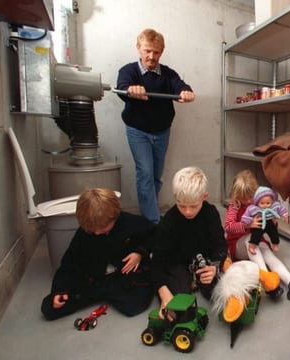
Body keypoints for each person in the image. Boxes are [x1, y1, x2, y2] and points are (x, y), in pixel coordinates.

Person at [116, 28, 195, 224]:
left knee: (156, 177)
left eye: (156, 52)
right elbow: (121, 86)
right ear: (138, 48)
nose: (151, 56)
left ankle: (148, 214)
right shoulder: (129, 71)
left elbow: (181, 86)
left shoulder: (168, 74)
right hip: (138, 131)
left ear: (162, 51)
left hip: (162, 132)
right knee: (145, 174)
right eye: (147, 51)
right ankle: (153, 222)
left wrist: (186, 92)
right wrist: (130, 90)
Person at [40, 188, 156, 320]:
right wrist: (60, 290)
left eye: (102, 227)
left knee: (133, 306)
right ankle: (106, 292)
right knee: (50, 308)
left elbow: (153, 234)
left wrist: (139, 253)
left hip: (123, 274)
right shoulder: (85, 233)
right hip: (95, 279)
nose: (97, 233)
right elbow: (69, 263)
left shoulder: (129, 222)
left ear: (114, 216)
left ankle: (109, 292)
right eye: (92, 229)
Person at [150, 166, 229, 316]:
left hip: (203, 260)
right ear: (175, 199)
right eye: (182, 205)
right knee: (181, 303)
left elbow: (220, 245)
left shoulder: (210, 213)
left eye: (193, 206)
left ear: (204, 196)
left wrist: (215, 266)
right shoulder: (168, 221)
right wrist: (163, 292)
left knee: (219, 292)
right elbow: (157, 263)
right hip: (177, 263)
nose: (187, 211)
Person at [224, 170, 290, 300]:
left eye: (250, 196)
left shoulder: (259, 202)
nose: (248, 201)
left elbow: (268, 226)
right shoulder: (234, 206)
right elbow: (228, 227)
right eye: (244, 198)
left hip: (257, 241)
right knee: (250, 240)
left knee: (267, 252)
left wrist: (272, 222)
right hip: (237, 246)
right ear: (237, 195)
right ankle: (269, 284)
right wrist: (247, 225)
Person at [241, 186, 289, 252]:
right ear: (257, 202)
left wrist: (284, 214)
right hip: (259, 223)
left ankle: (275, 244)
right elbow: (247, 214)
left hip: (270, 222)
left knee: (274, 234)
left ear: (272, 201)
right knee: (256, 235)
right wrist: (247, 221)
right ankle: (252, 246)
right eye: (262, 203)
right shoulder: (253, 208)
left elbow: (280, 209)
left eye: (268, 203)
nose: (265, 205)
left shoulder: (274, 206)